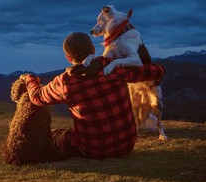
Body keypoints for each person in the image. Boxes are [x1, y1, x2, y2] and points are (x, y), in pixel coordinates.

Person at [21, 32, 165, 160]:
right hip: (126, 144)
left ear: (68, 57)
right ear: (93, 50)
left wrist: (30, 79)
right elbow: (157, 72)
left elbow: (36, 97)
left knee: (57, 136)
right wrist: (155, 66)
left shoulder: (65, 82)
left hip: (92, 150)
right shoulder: (114, 67)